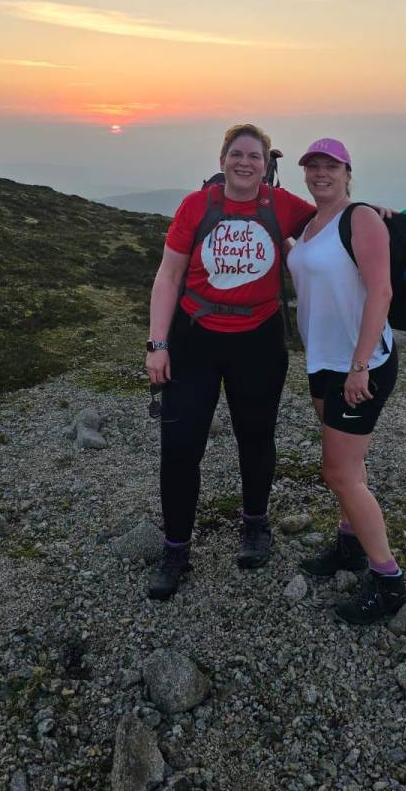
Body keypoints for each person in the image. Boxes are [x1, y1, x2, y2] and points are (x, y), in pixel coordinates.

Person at [144, 123, 316, 599]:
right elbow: (168, 275)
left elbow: (331, 219)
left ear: (266, 165)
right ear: (222, 161)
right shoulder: (196, 207)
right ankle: (175, 549)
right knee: (180, 447)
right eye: (236, 154)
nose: (245, 162)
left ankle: (255, 525)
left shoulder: (282, 206)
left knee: (256, 438)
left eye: (254, 156)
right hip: (194, 339)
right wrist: (158, 344)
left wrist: (371, 214)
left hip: (259, 340)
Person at [286, 137, 406, 625]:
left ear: (347, 173)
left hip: (361, 365)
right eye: (313, 166)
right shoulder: (310, 225)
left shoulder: (361, 218)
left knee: (338, 472)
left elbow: (382, 292)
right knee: (349, 466)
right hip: (323, 361)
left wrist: (360, 366)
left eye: (330, 166)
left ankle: (389, 581)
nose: (320, 174)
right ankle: (349, 546)